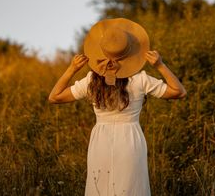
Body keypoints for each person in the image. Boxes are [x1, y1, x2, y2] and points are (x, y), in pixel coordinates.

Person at [49, 18, 186, 196]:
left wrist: (72, 68)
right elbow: (179, 92)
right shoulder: (140, 79)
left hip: (100, 141)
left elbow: (54, 97)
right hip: (130, 140)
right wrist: (160, 64)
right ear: (130, 53)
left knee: (100, 188)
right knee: (131, 188)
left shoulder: (91, 80)